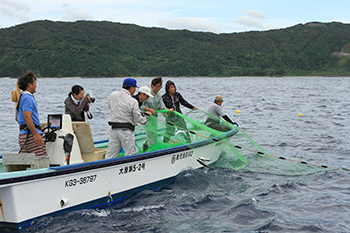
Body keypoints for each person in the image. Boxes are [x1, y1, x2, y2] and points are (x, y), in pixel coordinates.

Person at [105, 78, 147, 159]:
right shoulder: (133, 101)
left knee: (111, 154)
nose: (134, 91)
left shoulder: (113, 95)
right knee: (130, 154)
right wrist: (144, 120)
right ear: (132, 88)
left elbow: (110, 106)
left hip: (113, 129)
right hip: (126, 131)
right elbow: (138, 118)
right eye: (134, 88)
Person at [16, 71, 47, 156]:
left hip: (23, 135)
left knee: (25, 162)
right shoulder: (28, 98)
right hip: (30, 136)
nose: (36, 85)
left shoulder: (21, 98)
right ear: (29, 85)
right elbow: (27, 117)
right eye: (35, 83)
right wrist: (36, 134)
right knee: (41, 159)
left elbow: (17, 118)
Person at [140, 77, 168, 151]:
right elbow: (141, 106)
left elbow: (162, 107)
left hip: (154, 119)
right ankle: (151, 152)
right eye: (156, 87)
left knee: (152, 135)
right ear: (152, 85)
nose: (158, 88)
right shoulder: (147, 94)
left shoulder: (159, 95)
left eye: (160, 87)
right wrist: (150, 110)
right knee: (151, 135)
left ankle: (145, 147)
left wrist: (165, 112)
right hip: (147, 118)